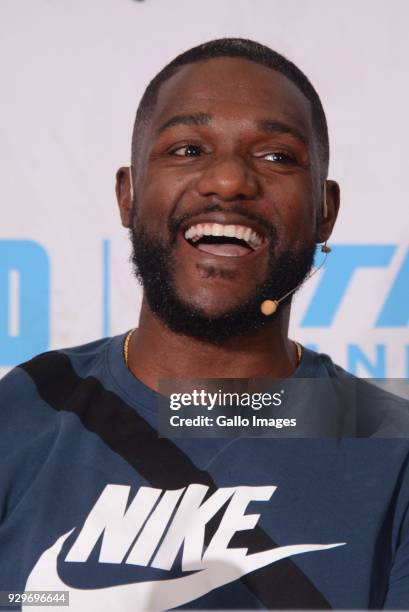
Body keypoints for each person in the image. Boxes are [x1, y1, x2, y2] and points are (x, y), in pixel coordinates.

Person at [0, 38, 408, 611]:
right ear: (128, 193)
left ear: (325, 212)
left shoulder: (391, 446)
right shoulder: (24, 410)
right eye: (188, 149)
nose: (228, 182)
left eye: (277, 157)